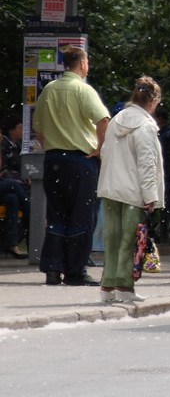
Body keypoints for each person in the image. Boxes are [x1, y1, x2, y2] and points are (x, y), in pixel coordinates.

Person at [32, 45, 110, 286]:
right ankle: (76, 270)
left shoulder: (49, 89)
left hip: (54, 159)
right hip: (80, 161)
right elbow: (103, 119)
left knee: (56, 215)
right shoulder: (83, 90)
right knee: (82, 216)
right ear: (82, 64)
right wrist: (99, 149)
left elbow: (38, 128)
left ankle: (53, 269)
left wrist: (52, 146)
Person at [96, 77, 166, 303]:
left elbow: (106, 151)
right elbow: (147, 164)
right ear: (153, 101)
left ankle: (107, 287)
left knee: (112, 239)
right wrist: (151, 197)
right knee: (130, 241)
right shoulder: (144, 126)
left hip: (110, 188)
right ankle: (124, 287)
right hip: (133, 192)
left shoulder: (117, 120)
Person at [0, 115, 30, 258]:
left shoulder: (16, 146)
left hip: (7, 185)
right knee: (13, 186)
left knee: (12, 199)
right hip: (8, 182)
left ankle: (12, 243)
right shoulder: (4, 146)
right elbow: (4, 171)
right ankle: (31, 215)